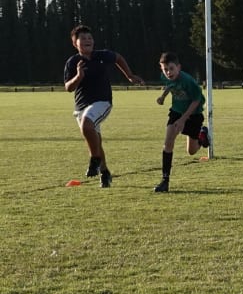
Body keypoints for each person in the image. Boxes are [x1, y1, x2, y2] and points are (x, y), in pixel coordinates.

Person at [62, 24, 145, 188]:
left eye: (90, 38)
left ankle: (94, 159)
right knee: (95, 140)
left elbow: (118, 58)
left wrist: (129, 75)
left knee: (87, 126)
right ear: (75, 43)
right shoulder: (72, 62)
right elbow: (68, 87)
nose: (88, 40)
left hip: (102, 102)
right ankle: (105, 173)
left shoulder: (102, 55)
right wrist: (79, 76)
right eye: (83, 38)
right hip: (81, 106)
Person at [153, 52, 210, 192]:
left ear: (178, 67)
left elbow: (197, 101)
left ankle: (202, 136)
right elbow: (170, 85)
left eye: (171, 68)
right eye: (165, 69)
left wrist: (184, 119)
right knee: (168, 143)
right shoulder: (165, 76)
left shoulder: (188, 81)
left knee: (191, 151)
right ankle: (165, 181)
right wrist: (163, 96)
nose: (168, 72)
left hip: (193, 114)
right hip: (176, 111)